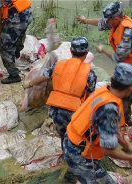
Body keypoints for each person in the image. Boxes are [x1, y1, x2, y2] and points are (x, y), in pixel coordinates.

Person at [76, 1, 132, 163]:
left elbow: (117, 57)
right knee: (122, 100)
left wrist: (103, 50)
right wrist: (85, 20)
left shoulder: (128, 33)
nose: (106, 22)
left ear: (116, 19)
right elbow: (101, 22)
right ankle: (126, 127)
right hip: (126, 69)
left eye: (109, 20)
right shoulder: (115, 21)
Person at [23, 37, 97, 182]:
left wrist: (29, 83)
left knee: (64, 136)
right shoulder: (90, 73)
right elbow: (90, 96)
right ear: (87, 52)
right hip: (73, 112)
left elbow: (43, 77)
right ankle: (72, 170)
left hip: (55, 110)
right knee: (78, 140)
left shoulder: (59, 64)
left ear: (71, 51)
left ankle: (66, 155)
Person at [64, 63, 132, 184]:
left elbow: (110, 127)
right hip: (79, 151)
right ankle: (74, 175)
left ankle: (70, 177)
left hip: (71, 140)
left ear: (112, 80)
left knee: (80, 169)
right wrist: (131, 158)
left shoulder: (104, 91)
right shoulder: (110, 109)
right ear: (130, 90)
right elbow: (107, 150)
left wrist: (127, 146)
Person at [0, 0, 33, 84]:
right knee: (19, 34)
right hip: (28, 13)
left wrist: (0, 26)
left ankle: (14, 75)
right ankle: (16, 52)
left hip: (16, 18)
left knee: (4, 47)